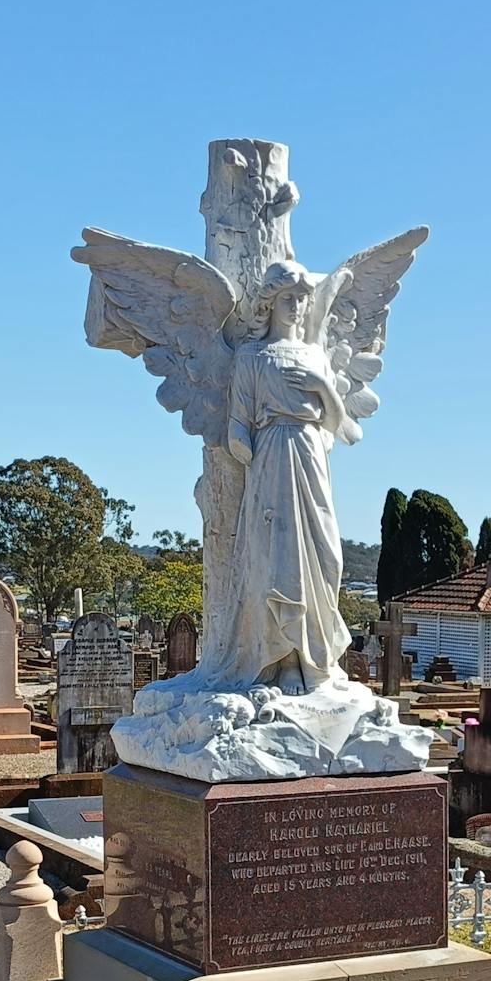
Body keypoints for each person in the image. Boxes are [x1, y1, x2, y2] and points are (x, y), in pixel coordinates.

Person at [217, 261, 353, 692]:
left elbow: (336, 420)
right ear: (270, 303)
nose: (296, 306)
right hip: (272, 457)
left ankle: (315, 656)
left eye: (302, 299)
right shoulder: (251, 357)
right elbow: (238, 421)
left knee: (326, 555)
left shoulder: (316, 356)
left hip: (311, 454)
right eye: (288, 299)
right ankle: (283, 661)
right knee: (278, 563)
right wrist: (243, 447)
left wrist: (322, 385)